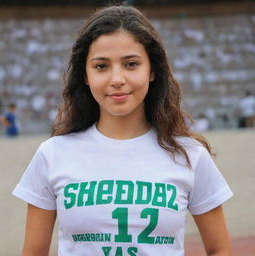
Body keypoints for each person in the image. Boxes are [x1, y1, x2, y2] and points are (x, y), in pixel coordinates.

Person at [12, 5, 233, 256]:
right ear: (85, 75)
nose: (117, 78)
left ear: (152, 71)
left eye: (131, 64)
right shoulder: (52, 154)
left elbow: (220, 250)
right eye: (101, 66)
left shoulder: (189, 156)